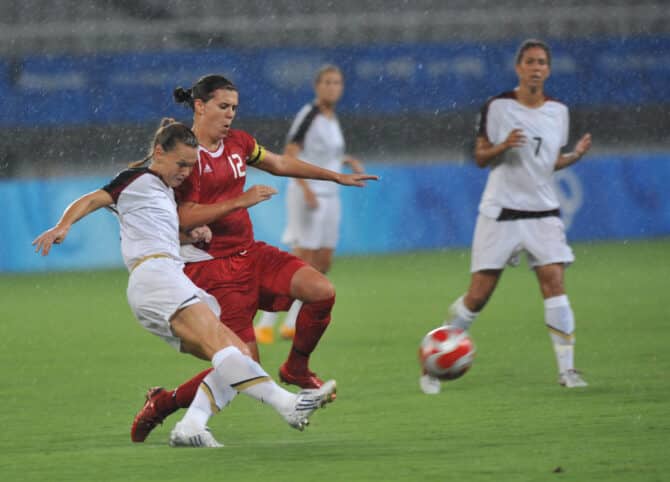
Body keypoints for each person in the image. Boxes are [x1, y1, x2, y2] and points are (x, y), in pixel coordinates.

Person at [33, 119, 337, 447]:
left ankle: (190, 425)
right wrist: (62, 226)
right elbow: (92, 199)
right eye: (180, 163)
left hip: (164, 278)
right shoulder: (136, 179)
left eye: (191, 166)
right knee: (232, 351)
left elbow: (154, 229)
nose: (185, 172)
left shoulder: (163, 192)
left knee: (234, 354)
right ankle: (288, 405)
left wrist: (189, 233)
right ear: (159, 152)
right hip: (156, 278)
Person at [130, 75, 377, 443]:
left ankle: (296, 368)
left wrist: (333, 176)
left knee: (321, 290)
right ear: (200, 106)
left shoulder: (239, 143)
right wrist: (238, 201)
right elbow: (182, 216)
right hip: (211, 267)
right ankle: (164, 404)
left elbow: (278, 162)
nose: (230, 115)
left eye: (234, 108)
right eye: (223, 107)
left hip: (252, 254)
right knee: (243, 360)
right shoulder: (185, 154)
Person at [420, 39, 593, 395]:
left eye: (542, 62)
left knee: (554, 283)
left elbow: (549, 161)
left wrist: (573, 156)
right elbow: (480, 156)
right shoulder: (498, 106)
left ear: (548, 69)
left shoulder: (559, 111)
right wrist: (502, 145)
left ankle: (568, 370)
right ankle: (434, 362)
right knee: (478, 296)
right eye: (530, 61)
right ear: (518, 67)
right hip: (501, 212)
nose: (536, 68)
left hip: (543, 212)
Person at [255, 64, 366, 344]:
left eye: (337, 82)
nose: (333, 87)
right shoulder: (310, 115)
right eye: (327, 82)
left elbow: (322, 155)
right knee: (301, 260)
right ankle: (266, 323)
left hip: (330, 194)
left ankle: (290, 322)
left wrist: (345, 160)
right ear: (317, 87)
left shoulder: (331, 118)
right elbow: (289, 155)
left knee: (323, 262)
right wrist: (304, 188)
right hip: (309, 194)